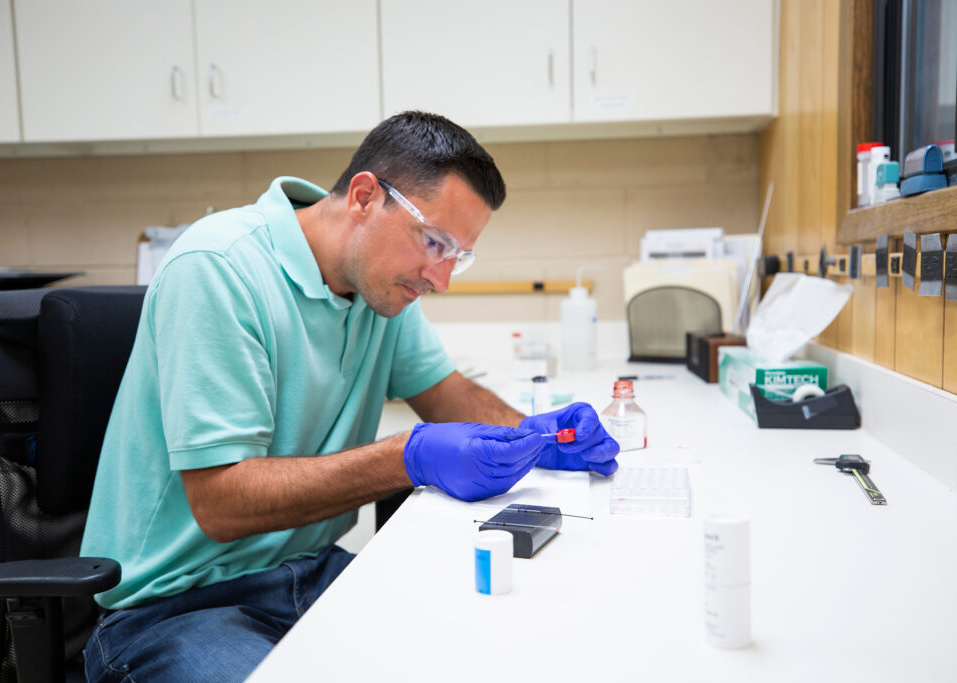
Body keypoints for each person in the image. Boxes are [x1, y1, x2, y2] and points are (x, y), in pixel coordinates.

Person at [80, 111, 619, 682]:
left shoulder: (381, 289)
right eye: (434, 242)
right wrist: (404, 457)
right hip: (176, 609)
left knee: (493, 648)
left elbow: (447, 393)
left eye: (457, 255)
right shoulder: (220, 269)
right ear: (365, 197)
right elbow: (222, 503)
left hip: (312, 576)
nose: (441, 279)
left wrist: (535, 435)